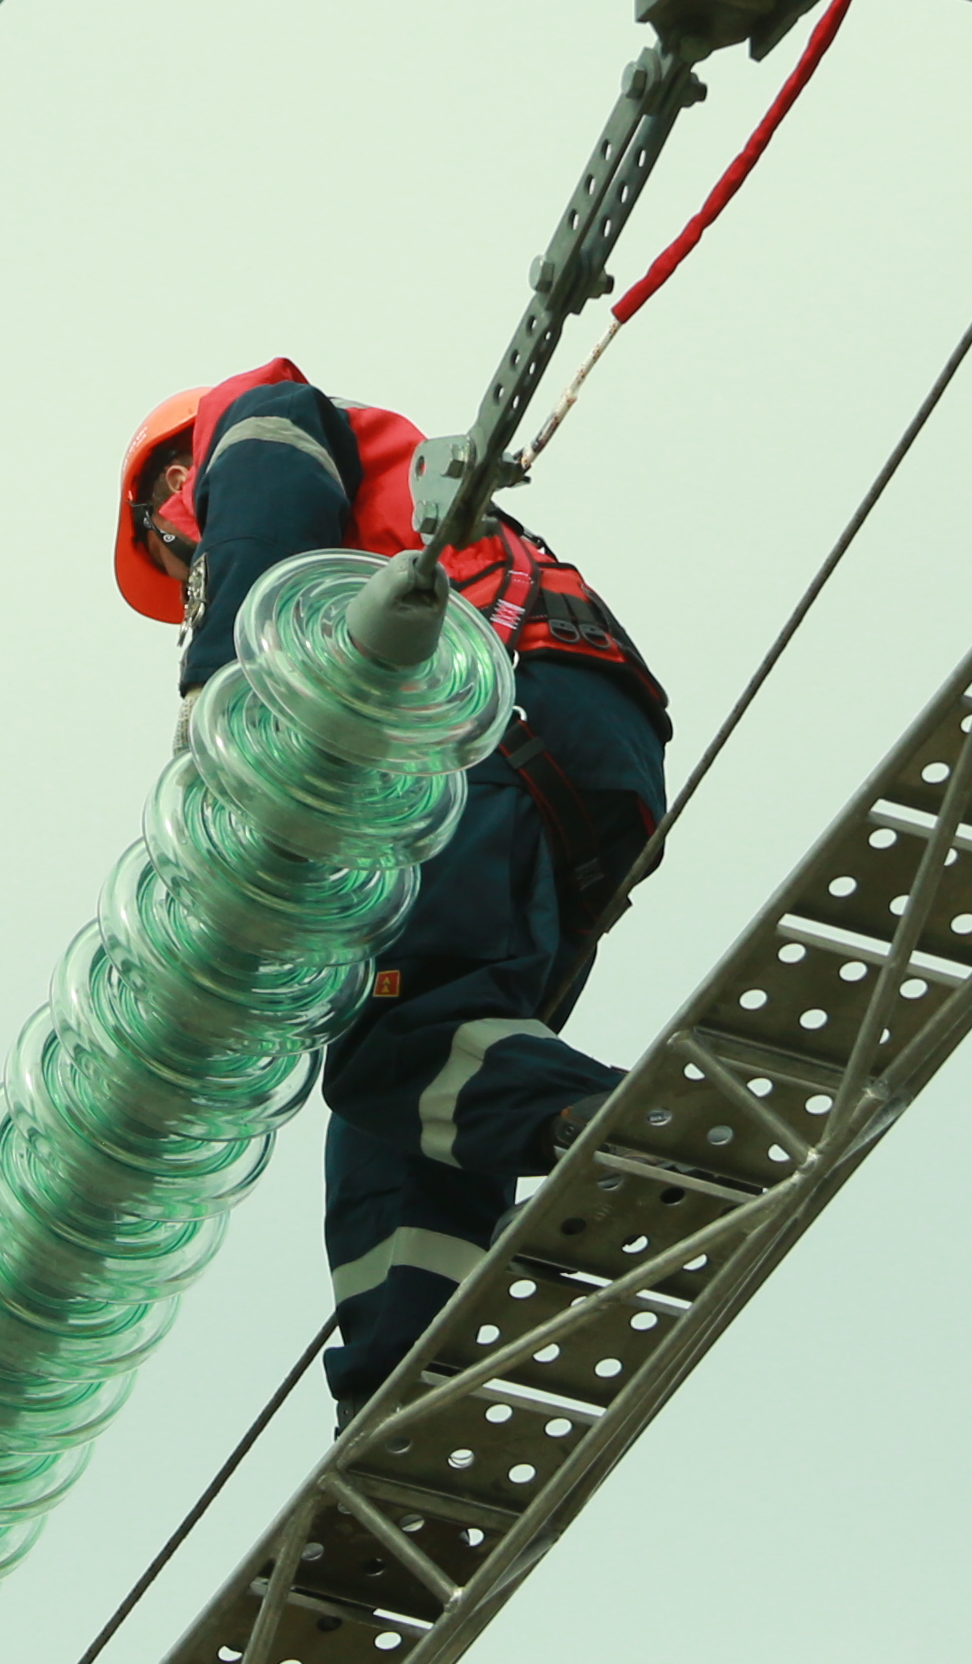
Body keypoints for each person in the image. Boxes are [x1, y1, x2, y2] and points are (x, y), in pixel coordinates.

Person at [114, 363, 670, 1412]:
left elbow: (263, 515)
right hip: (579, 764)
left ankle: (617, 1129)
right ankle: (399, 1382)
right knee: (400, 1101)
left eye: (172, 548)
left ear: (173, 488)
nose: (187, 571)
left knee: (397, 1039)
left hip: (497, 717)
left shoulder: (256, 420)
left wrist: (218, 677)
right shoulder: (370, 555)